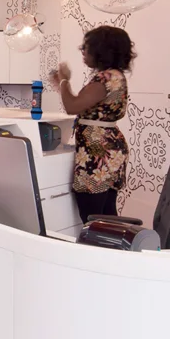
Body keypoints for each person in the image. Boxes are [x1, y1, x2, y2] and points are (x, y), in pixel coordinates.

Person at [50, 25, 134, 221]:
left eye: (86, 47)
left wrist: (64, 81)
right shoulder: (115, 76)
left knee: (93, 217)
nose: (83, 51)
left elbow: (73, 106)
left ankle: (99, 250)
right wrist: (62, 84)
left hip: (98, 152)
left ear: (100, 50)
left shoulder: (105, 77)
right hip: (109, 148)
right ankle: (112, 250)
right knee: (106, 214)